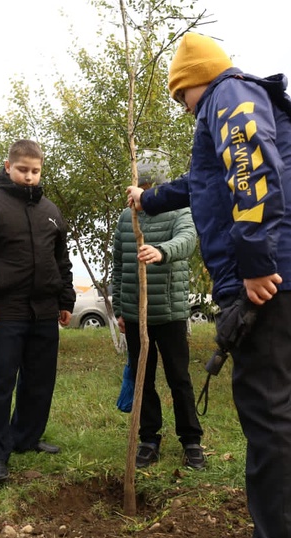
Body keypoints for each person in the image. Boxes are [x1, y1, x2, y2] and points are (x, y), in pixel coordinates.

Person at [126, 33, 291, 538]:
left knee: (269, 417)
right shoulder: (232, 100)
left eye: (178, 95)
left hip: (269, 275)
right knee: (283, 412)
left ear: (191, 81)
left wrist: (257, 262)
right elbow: (209, 183)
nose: (181, 107)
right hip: (283, 269)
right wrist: (152, 198)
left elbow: (249, 164)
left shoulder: (227, 96)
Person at [0, 139, 76, 485]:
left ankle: (26, 437)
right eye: (23, 170)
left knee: (39, 380)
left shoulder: (51, 212)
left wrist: (65, 300)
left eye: (35, 171)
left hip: (44, 310)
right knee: (0, 383)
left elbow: (61, 261)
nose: (29, 177)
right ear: (8, 167)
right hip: (4, 310)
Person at [113, 163, 205, 470]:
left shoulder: (181, 211)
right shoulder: (127, 218)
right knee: (144, 379)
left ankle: (191, 441)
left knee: (179, 378)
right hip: (136, 316)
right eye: (143, 188)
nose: (146, 194)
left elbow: (187, 242)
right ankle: (148, 440)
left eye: (152, 189)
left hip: (170, 313)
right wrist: (119, 310)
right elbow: (118, 266)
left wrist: (161, 251)